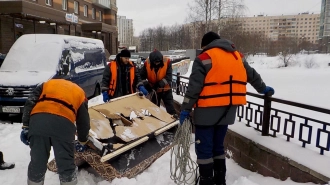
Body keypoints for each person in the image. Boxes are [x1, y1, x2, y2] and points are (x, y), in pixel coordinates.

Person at [179, 31, 275, 185]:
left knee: (204, 150)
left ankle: (206, 181)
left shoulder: (204, 57)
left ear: (205, 45)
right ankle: (220, 180)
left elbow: (193, 88)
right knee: (218, 147)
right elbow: (252, 75)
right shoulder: (237, 56)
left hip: (206, 113)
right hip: (228, 112)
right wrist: (263, 89)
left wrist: (185, 108)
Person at [20, 79, 90, 185]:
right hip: (63, 126)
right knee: (66, 163)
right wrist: (82, 140)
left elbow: (30, 102)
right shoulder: (80, 93)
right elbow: (83, 120)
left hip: (39, 123)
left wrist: (26, 126)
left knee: (37, 161)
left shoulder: (47, 84)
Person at [138, 50, 177, 116]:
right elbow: (141, 77)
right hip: (153, 90)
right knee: (154, 110)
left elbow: (169, 77)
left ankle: (174, 124)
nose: (157, 64)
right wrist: (146, 84)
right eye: (155, 63)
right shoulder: (147, 63)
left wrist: (160, 84)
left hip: (165, 90)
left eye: (158, 63)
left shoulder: (167, 62)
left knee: (170, 109)